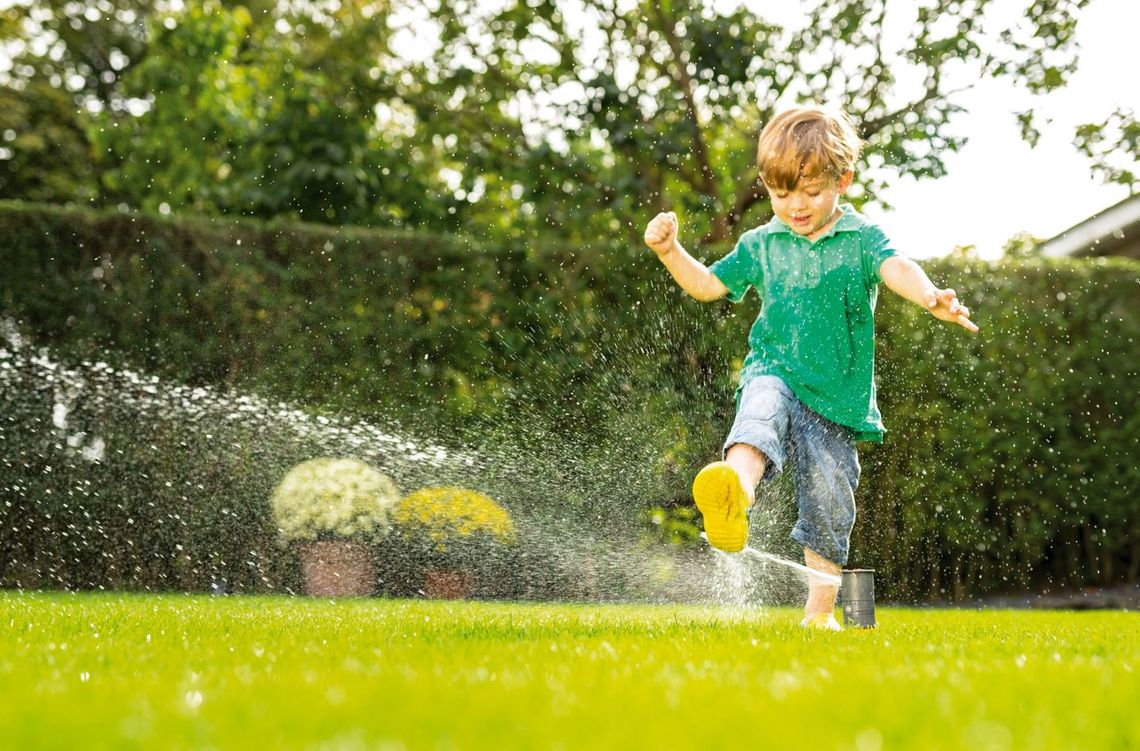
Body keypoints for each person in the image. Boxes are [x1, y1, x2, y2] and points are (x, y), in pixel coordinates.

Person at [643, 105, 978, 630]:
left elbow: (896, 267)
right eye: (781, 194)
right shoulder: (761, 243)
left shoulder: (861, 239)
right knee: (759, 412)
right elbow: (709, 284)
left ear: (842, 180)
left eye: (811, 192)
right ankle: (736, 491)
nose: (795, 206)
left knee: (827, 502)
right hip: (773, 368)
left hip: (836, 398)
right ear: (767, 188)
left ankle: (819, 617)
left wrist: (929, 294)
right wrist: (670, 252)